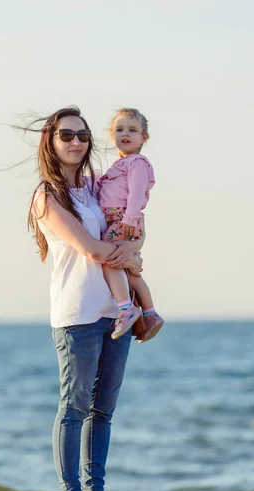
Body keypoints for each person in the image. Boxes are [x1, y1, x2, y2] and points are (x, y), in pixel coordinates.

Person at [26, 106, 142, 491]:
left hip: (117, 310)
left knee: (104, 408)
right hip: (77, 314)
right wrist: (127, 253)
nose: (77, 142)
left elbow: (127, 224)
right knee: (74, 406)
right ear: (51, 142)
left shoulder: (95, 188)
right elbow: (91, 248)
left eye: (83, 135)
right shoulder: (47, 196)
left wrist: (133, 244)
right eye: (67, 136)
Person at [98, 108, 165, 342]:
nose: (125, 134)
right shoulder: (119, 165)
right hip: (123, 220)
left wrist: (129, 218)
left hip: (123, 219)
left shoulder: (137, 162)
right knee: (129, 268)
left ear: (144, 138)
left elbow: (136, 193)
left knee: (109, 261)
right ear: (111, 134)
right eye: (120, 129)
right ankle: (150, 313)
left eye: (132, 130)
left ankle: (126, 307)